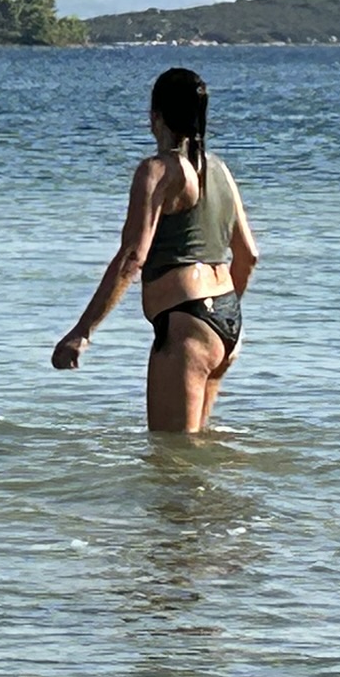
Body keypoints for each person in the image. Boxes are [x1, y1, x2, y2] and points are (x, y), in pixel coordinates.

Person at [52, 67, 259, 432]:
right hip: (228, 320)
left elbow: (133, 257)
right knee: (198, 448)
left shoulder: (158, 171)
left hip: (188, 323)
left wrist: (83, 330)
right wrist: (220, 315)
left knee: (171, 455)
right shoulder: (220, 170)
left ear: (155, 115)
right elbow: (248, 255)